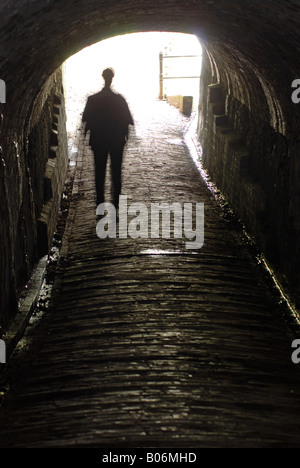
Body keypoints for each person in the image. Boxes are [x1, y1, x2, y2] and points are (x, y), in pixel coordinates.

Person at [82, 68, 134, 208]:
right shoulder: (119, 100)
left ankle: (100, 204)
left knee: (100, 172)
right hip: (116, 140)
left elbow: (86, 121)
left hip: (99, 141)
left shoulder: (93, 100)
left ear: (103, 77)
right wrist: (124, 136)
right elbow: (127, 121)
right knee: (116, 172)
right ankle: (116, 204)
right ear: (112, 78)